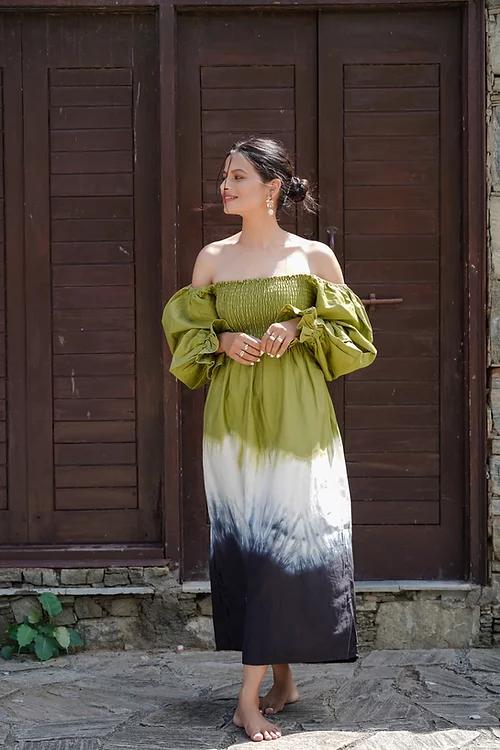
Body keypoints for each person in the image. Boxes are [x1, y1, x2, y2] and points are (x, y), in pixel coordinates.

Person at [161, 137, 377, 743]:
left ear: (272, 187)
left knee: (287, 538)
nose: (224, 186)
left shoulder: (313, 257)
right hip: (231, 422)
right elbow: (185, 339)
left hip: (299, 422)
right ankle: (283, 680)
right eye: (224, 176)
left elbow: (354, 334)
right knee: (250, 544)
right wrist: (223, 339)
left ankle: (245, 700)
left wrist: (298, 324)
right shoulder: (212, 258)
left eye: (238, 177)